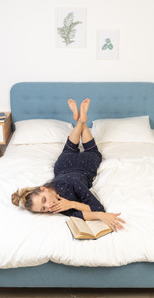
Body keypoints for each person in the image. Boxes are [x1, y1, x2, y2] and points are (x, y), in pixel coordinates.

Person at [11, 98, 125, 232]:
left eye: (44, 200)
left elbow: (98, 209)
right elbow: (86, 213)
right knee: (69, 149)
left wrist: (73, 205)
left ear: (44, 189)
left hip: (84, 167)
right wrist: (71, 205)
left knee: (92, 151)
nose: (48, 206)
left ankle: (81, 121)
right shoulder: (56, 206)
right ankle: (80, 121)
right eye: (43, 209)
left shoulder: (73, 184)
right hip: (63, 166)